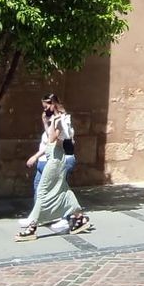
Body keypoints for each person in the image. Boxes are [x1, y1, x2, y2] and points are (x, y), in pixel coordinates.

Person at [17, 110, 91, 239]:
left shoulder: (61, 127)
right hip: (56, 161)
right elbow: (50, 139)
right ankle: (80, 218)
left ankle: (32, 227)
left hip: (54, 163)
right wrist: (48, 122)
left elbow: (52, 140)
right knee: (64, 191)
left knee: (42, 191)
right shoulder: (59, 126)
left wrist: (54, 122)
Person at [27, 93, 76, 195]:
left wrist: (35, 156)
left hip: (57, 159)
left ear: (53, 104)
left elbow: (52, 142)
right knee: (40, 190)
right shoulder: (55, 119)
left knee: (51, 194)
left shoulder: (60, 120)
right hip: (47, 159)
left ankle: (70, 210)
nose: (45, 110)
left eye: (46, 107)